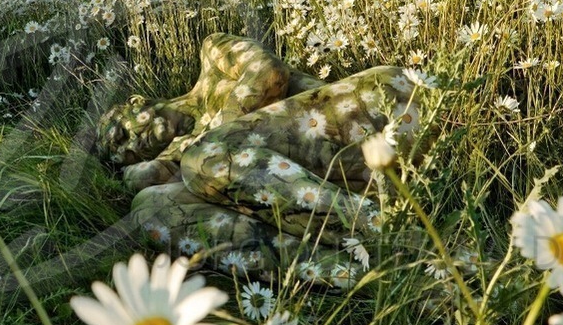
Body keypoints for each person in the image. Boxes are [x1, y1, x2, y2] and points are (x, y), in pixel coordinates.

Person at [97, 33, 420, 284]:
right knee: (149, 207)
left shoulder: (212, 59)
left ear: (135, 102)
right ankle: (363, 276)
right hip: (359, 186)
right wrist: (145, 172)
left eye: (121, 134)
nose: (130, 146)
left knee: (204, 157)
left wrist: (196, 147)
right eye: (123, 156)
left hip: (381, 115)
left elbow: (268, 73)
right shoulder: (183, 155)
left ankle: (399, 238)